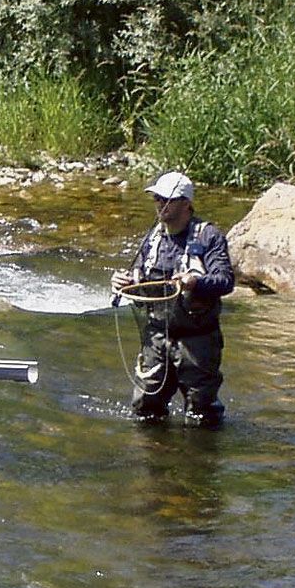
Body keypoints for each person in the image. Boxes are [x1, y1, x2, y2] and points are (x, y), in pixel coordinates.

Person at [110, 171, 234, 427]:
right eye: (157, 198)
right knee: (145, 408)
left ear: (186, 204)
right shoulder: (153, 239)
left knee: (201, 415)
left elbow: (225, 281)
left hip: (198, 341)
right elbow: (140, 281)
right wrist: (122, 283)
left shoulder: (208, 236)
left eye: (167, 199)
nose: (160, 204)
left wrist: (196, 282)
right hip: (155, 338)